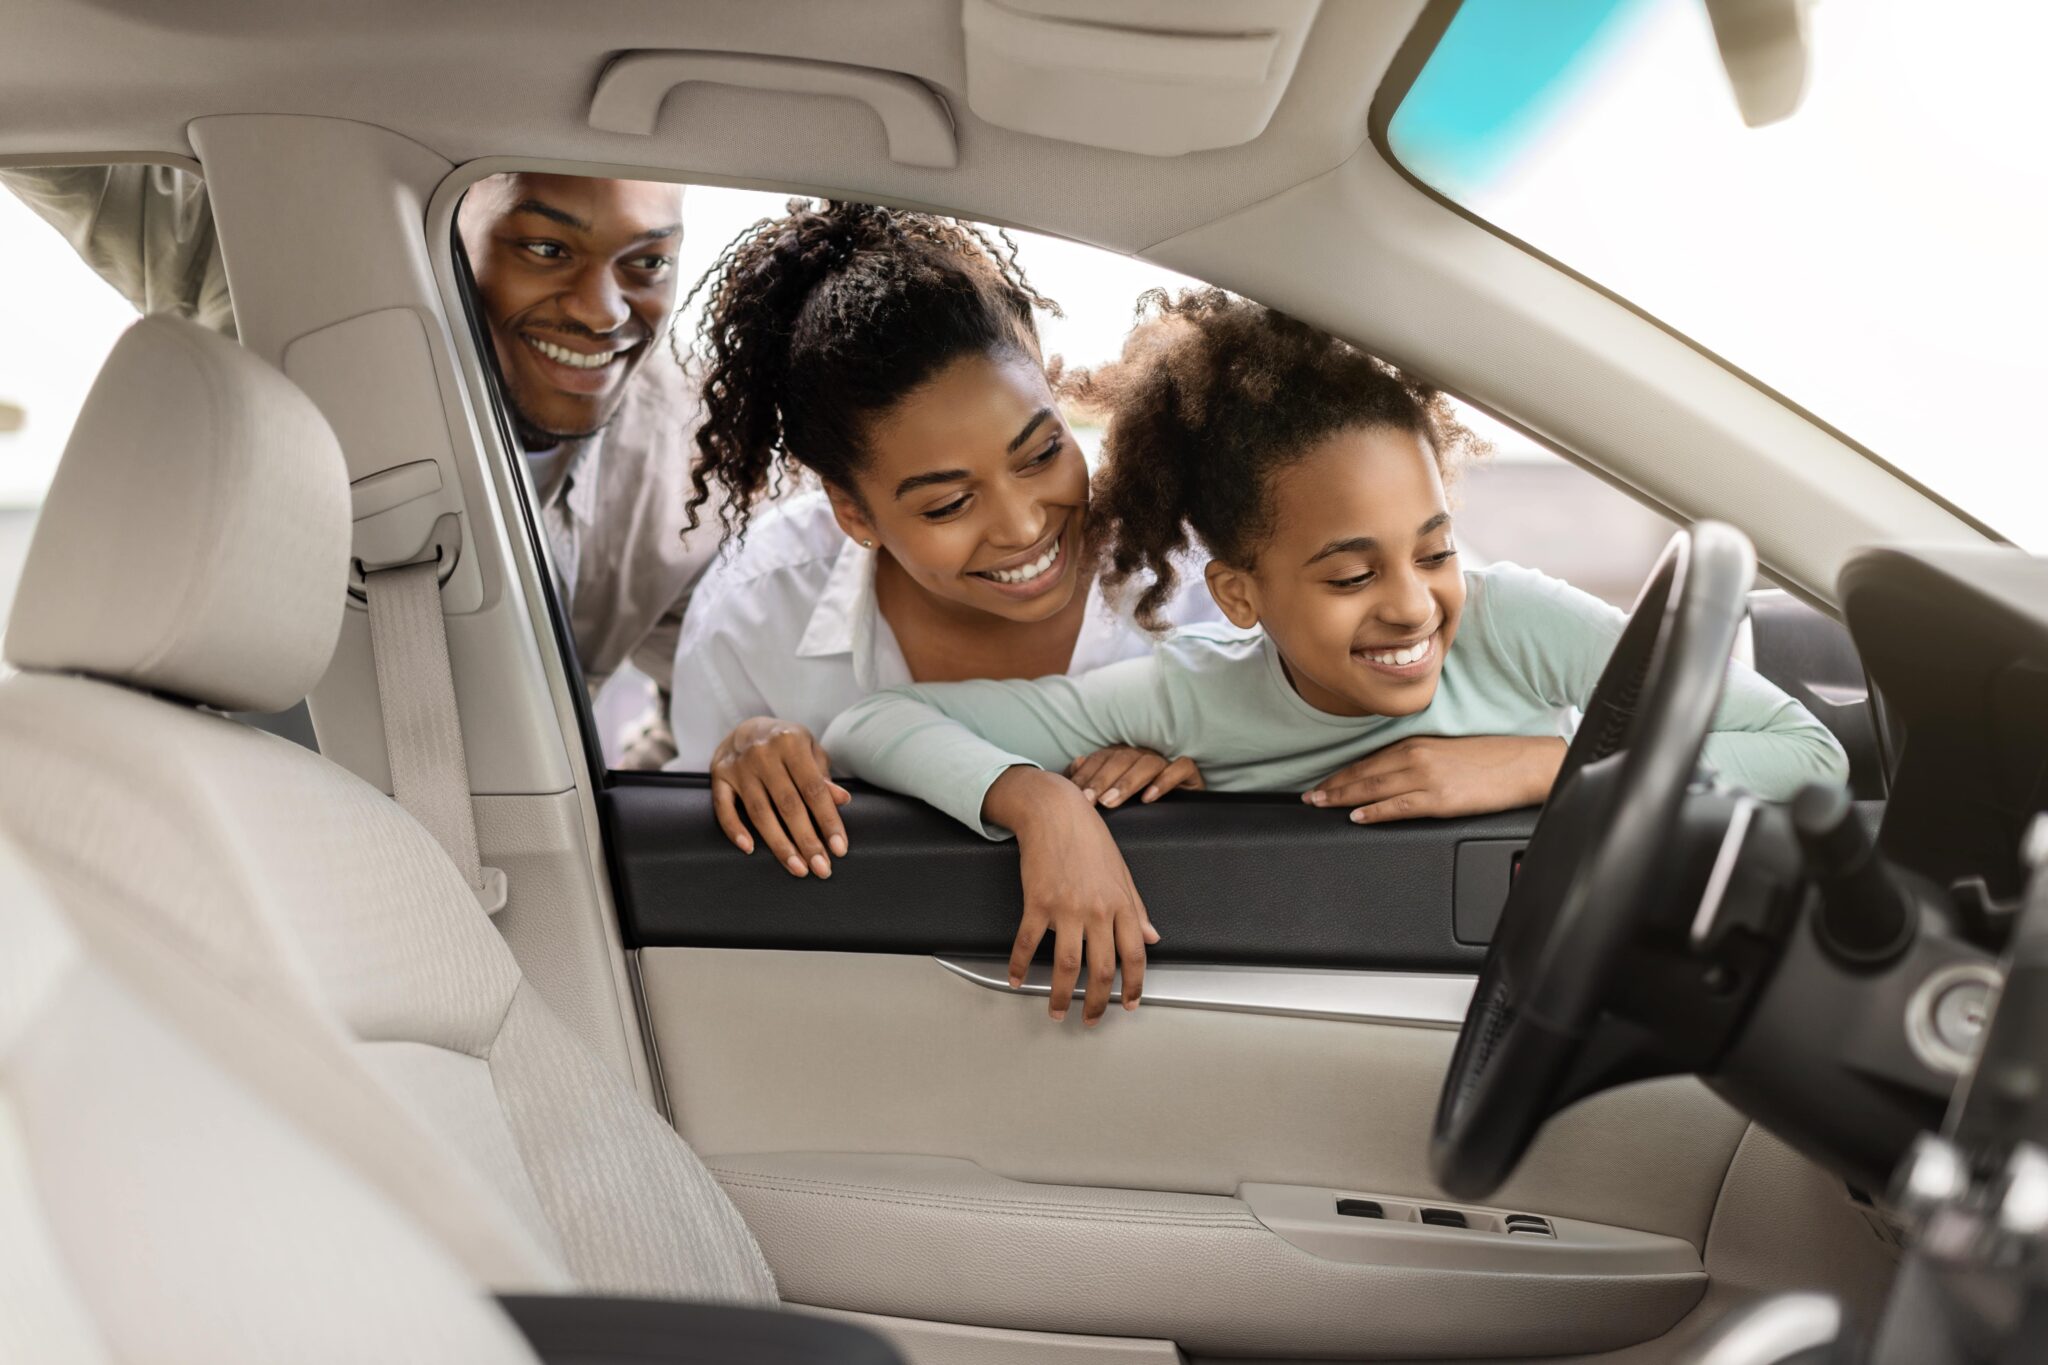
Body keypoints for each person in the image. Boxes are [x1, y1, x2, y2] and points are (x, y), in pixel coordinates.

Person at [824, 290, 1850, 1027]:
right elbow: (870, 725)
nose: (1412, 603)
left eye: (1434, 549)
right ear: (1239, 594)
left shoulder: (1507, 621)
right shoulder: (1187, 698)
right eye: (1348, 576)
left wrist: (1545, 764)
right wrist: (1039, 802)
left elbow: (1801, 753)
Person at [2, 166, 710, 767]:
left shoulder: (698, 463)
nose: (602, 311)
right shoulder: (274, 284)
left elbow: (704, 715)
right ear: (447, 232)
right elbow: (65, 143)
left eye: (647, 262)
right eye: (546, 248)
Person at [667, 200, 1221, 880]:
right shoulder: (755, 620)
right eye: (950, 503)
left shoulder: (1198, 574)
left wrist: (1220, 774)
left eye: (1043, 452)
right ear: (853, 513)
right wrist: (738, 756)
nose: (1023, 526)